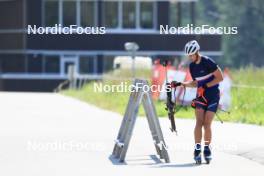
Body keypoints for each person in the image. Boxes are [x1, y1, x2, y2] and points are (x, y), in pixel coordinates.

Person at [171, 40, 224, 164]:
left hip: (212, 96)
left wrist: (206, 86)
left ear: (197, 52)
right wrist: (181, 84)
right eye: (188, 55)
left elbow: (220, 77)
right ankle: (197, 149)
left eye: (191, 55)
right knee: (198, 122)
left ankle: (207, 149)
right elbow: (195, 83)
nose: (190, 57)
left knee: (207, 124)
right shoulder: (192, 66)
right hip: (200, 95)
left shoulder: (208, 62)